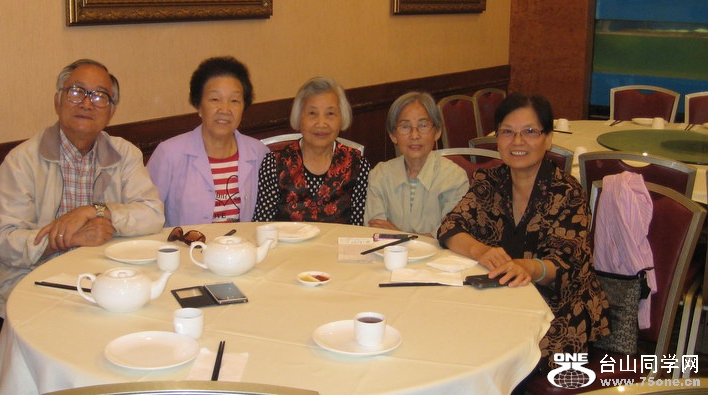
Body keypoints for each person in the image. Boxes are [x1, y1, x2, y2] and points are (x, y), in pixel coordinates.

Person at [437, 92, 609, 371]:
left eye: (530, 132)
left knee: (501, 356)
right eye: (507, 132)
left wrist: (528, 267)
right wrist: (481, 250)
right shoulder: (489, 181)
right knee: (449, 336)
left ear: (548, 138)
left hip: (558, 308)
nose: (517, 141)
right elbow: (450, 227)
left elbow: (567, 264)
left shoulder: (566, 192)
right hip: (499, 300)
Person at [0, 59, 165, 317]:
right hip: (32, 281)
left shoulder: (125, 154)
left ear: (111, 111)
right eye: (77, 92)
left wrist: (95, 211)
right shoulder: (22, 161)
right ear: (58, 101)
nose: (87, 103)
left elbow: (152, 214)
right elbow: (4, 240)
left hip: (105, 276)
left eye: (99, 96)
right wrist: (67, 238)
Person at [148, 56, 268, 226]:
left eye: (234, 101)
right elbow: (146, 212)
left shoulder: (259, 153)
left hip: (242, 243)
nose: (225, 109)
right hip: (185, 243)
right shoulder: (169, 154)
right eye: (214, 99)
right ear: (198, 105)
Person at [253, 77, 370, 225]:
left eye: (330, 114)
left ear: (342, 117)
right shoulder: (274, 163)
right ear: (299, 117)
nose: (321, 123)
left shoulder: (357, 165)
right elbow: (262, 225)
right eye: (312, 113)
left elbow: (359, 227)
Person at [365, 92, 469, 237]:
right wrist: (427, 237)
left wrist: (400, 235)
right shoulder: (380, 174)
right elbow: (376, 231)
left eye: (423, 125)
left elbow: (452, 235)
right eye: (405, 126)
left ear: (437, 132)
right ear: (393, 135)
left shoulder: (454, 177)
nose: (414, 135)